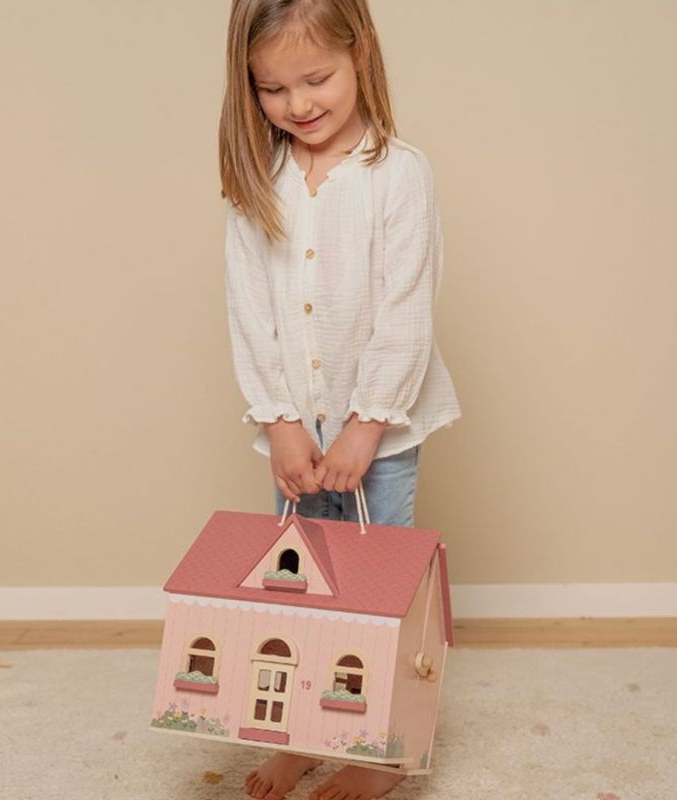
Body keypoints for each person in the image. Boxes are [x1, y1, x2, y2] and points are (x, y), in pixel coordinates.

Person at [219, 1, 461, 798]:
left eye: (316, 78)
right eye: (273, 89)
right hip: (296, 430)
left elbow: (405, 309)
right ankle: (297, 735)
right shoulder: (262, 180)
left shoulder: (398, 174)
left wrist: (365, 425)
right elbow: (249, 307)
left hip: (377, 432)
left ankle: (375, 748)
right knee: (300, 592)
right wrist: (281, 421)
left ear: (360, 54)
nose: (298, 105)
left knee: (372, 594)